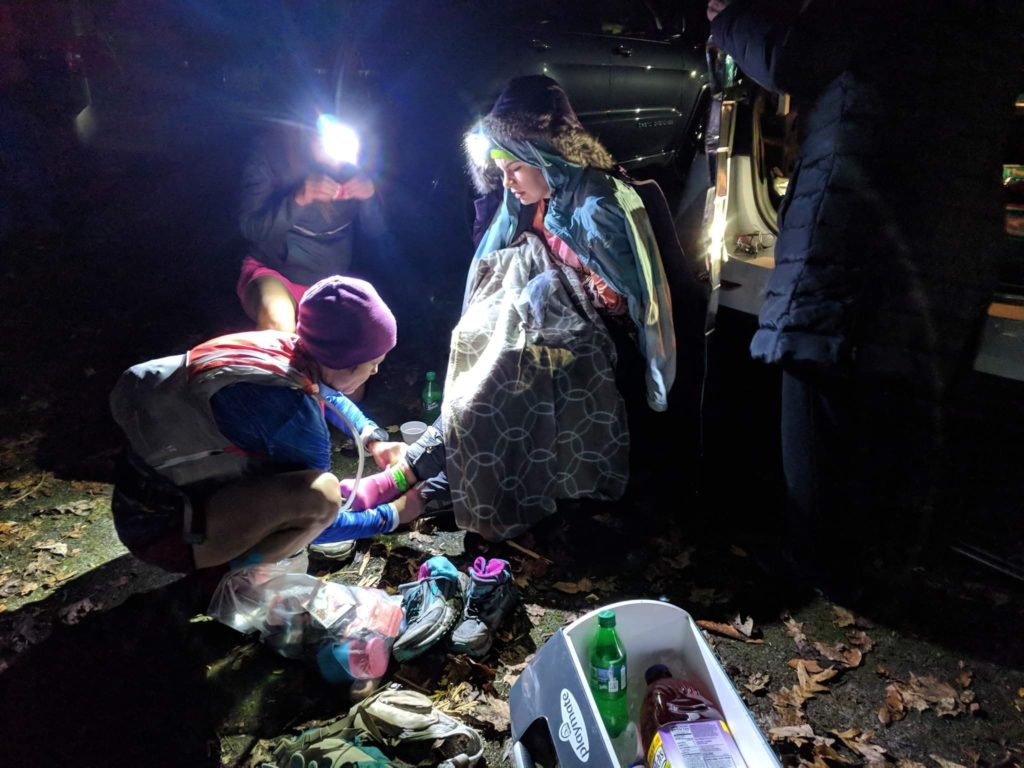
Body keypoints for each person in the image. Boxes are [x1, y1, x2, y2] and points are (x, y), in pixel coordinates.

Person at [706, 0, 1023, 596]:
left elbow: (794, 54)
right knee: (900, 409)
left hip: (859, 230)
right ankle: (881, 563)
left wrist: (728, 18)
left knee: (822, 392)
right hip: (950, 234)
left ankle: (825, 573)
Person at [109, 275, 420, 575]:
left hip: (142, 499)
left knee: (304, 489)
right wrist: (390, 516)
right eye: (373, 363)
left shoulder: (281, 345)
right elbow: (322, 522)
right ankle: (224, 579)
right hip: (163, 531)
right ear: (346, 362)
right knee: (320, 496)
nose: (377, 370)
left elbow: (327, 392)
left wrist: (373, 438)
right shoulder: (293, 418)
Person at [237, 115, 384, 334]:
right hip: (274, 272)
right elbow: (251, 229)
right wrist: (298, 199)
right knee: (278, 323)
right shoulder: (270, 154)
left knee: (349, 339)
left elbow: (376, 232)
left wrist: (370, 195)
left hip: (328, 283)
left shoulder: (356, 163)